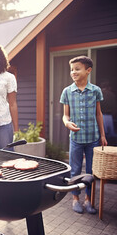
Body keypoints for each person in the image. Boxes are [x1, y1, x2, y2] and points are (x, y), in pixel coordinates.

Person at [60, 55, 108, 214]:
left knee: (91, 172)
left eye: (77, 69)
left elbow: (99, 114)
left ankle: (89, 200)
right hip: (75, 140)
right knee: (74, 170)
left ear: (88, 70)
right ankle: (75, 199)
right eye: (71, 69)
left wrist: (102, 135)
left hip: (93, 139)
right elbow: (65, 115)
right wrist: (67, 123)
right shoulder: (67, 91)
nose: (73, 72)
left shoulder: (95, 91)